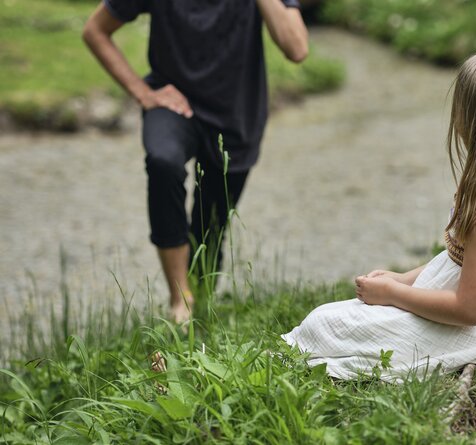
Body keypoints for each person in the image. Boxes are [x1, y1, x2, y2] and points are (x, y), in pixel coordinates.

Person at [282, 52, 476, 381]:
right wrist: (402, 278)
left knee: (327, 323)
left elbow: (469, 310)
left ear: (472, 121)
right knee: (332, 319)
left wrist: (393, 295)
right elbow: (462, 262)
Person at [82, 0, 308, 324]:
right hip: (173, 103)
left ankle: (199, 315)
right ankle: (180, 299)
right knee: (163, 161)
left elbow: (296, 48)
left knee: (211, 228)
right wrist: (143, 93)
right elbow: (95, 30)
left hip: (236, 114)